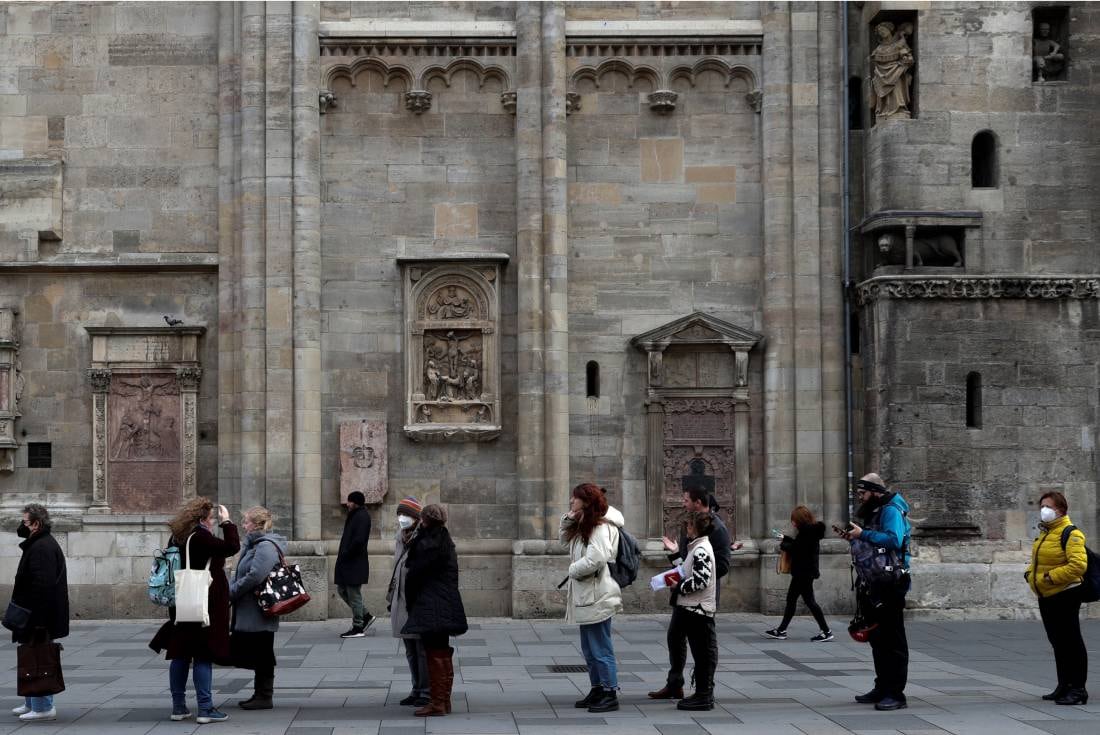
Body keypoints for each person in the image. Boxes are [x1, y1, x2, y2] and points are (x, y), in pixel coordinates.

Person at [149, 498, 240, 724]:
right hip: (203, 603)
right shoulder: (200, 537)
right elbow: (232, 546)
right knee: (203, 654)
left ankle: (178, 707)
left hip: (182, 601)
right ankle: (206, 709)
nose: (213, 523)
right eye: (212, 519)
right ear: (202, 519)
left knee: (180, 653)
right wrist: (227, 522)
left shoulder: (179, 536)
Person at [837, 473, 911, 711]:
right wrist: (854, 538)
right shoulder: (875, 511)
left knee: (893, 639)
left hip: (891, 581)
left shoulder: (890, 510)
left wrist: (863, 534)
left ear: (875, 492)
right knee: (878, 639)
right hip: (874, 581)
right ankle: (882, 686)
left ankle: (896, 693)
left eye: (862, 493)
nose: (859, 497)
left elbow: (894, 540)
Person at [649, 485, 730, 701]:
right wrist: (676, 555)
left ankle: (705, 690)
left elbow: (716, 568)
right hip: (686, 598)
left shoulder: (716, 531)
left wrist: (685, 583)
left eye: (686, 499)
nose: (682, 503)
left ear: (698, 501)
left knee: (704, 646)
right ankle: (675, 684)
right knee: (675, 638)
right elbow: (686, 563)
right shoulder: (694, 530)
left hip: (699, 599)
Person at [560, 483, 623, 714]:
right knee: (589, 647)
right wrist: (568, 519)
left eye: (574, 498)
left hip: (598, 593)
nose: (570, 501)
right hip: (588, 593)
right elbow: (563, 542)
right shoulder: (585, 523)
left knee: (600, 647)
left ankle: (609, 692)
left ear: (586, 501)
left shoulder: (599, 527)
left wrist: (573, 570)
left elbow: (596, 558)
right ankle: (597, 688)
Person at [402, 504, 468, 717]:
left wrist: (411, 602)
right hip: (444, 600)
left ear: (425, 520)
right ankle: (442, 700)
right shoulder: (444, 539)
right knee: (441, 650)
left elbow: (414, 573)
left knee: (434, 650)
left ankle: (437, 702)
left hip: (430, 602)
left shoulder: (427, 542)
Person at [1025, 491, 1088, 705]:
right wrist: (1029, 574)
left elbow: (1078, 566)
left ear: (1060, 510)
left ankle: (1078, 689)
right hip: (1047, 595)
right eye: (1042, 505)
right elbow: (1039, 560)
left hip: (1066, 594)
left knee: (1072, 641)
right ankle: (1064, 685)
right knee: (1058, 642)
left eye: (1048, 506)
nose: (1044, 509)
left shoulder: (1071, 533)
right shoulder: (1045, 533)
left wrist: (1049, 578)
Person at [9, 504, 69, 723]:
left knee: (39, 657)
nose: (22, 525)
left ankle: (43, 706)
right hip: (34, 613)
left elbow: (42, 586)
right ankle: (31, 701)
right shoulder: (37, 541)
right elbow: (21, 533)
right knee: (30, 655)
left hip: (38, 615)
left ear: (37, 523)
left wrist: (38, 620)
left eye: (26, 521)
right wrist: (27, 525)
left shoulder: (42, 547)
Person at [228, 506, 287, 710]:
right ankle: (260, 694)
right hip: (252, 608)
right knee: (261, 650)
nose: (243, 526)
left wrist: (233, 590)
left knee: (263, 651)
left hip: (260, 609)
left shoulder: (265, 546)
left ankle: (264, 696)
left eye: (246, 522)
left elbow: (255, 576)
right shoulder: (255, 545)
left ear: (256, 524)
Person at [667, 511, 719, 711]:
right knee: (700, 653)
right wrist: (674, 554)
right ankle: (702, 694)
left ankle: (704, 696)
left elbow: (700, 581)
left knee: (703, 654)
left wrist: (678, 586)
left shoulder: (701, 550)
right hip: (693, 609)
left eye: (688, 526)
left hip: (698, 610)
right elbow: (686, 572)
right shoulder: (697, 548)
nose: (686, 529)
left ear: (695, 528)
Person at [764, 505, 833, 641]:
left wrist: (783, 544)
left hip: (804, 572)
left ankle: (826, 631)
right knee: (793, 600)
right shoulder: (809, 531)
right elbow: (799, 545)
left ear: (800, 519)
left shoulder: (807, 532)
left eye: (794, 520)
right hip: (804, 571)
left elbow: (797, 549)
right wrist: (786, 538)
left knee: (808, 601)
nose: (792, 522)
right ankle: (782, 630)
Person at [386, 497, 429, 707]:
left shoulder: (423, 538)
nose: (402, 519)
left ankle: (425, 690)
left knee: (421, 649)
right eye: (400, 515)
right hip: (401, 599)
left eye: (406, 515)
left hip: (417, 601)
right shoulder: (401, 537)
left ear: (416, 517)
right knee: (410, 649)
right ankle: (415, 688)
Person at [335, 490, 374, 638]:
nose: (347, 504)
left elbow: (359, 541)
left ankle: (358, 626)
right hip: (349, 562)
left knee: (353, 594)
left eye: (349, 501)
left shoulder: (362, 517)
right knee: (342, 590)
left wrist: (347, 553)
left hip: (354, 562)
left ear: (355, 502)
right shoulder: (355, 515)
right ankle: (366, 615)